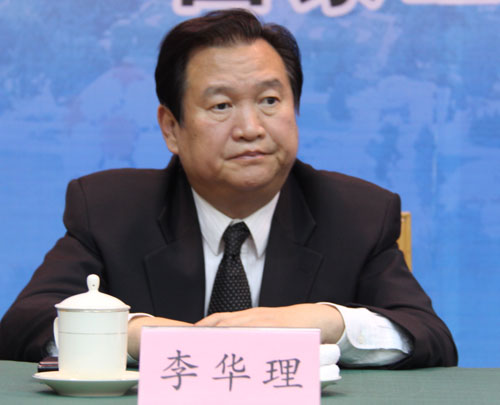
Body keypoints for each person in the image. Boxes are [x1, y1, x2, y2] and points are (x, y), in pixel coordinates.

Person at [0, 9, 457, 368]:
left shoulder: (357, 213)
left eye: (270, 100)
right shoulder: (108, 211)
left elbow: (429, 337)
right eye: (221, 105)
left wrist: (327, 322)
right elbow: (22, 327)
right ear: (171, 128)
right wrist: (138, 335)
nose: (250, 128)